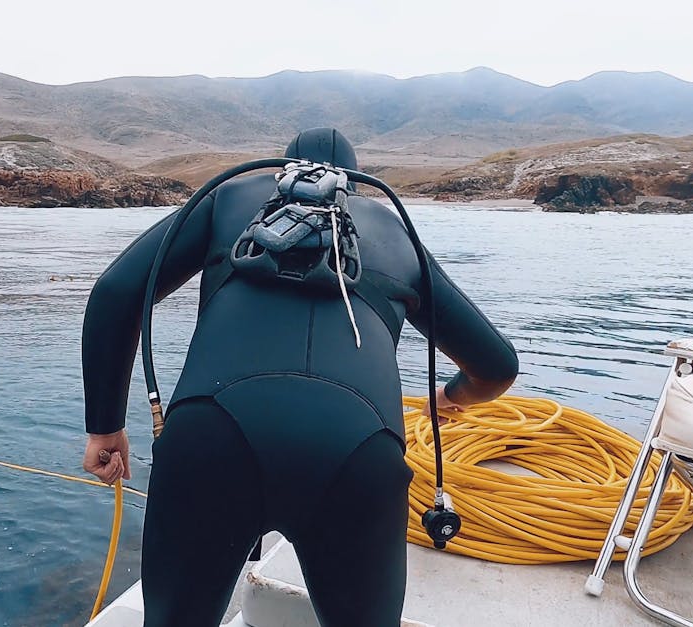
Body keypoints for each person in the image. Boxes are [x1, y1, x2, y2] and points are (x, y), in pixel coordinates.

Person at [80, 128, 518, 626]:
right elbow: (497, 366)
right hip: (357, 453)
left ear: (278, 173)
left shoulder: (230, 197)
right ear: (354, 187)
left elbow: (116, 293)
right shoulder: (395, 232)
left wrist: (105, 426)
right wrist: (447, 396)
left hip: (212, 437)